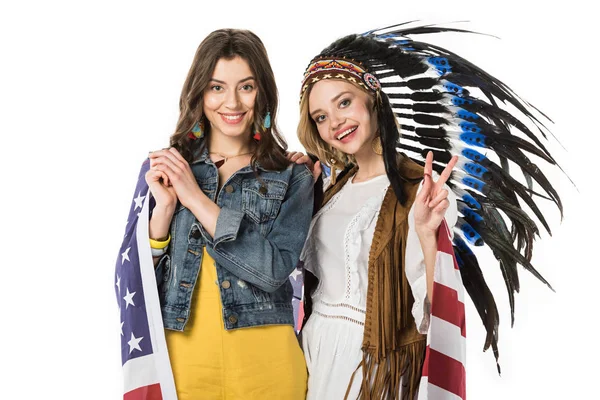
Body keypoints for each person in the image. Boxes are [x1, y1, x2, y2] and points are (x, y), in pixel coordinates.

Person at [292, 24, 564, 399]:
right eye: (320, 116)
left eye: (344, 102)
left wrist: (424, 230)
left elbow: (434, 309)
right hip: (310, 349)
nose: (335, 122)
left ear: (373, 100)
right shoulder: (329, 190)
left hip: (372, 363)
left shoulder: (420, 190)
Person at [123, 29, 313, 399]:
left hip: (267, 361)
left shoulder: (293, 174)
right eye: (216, 87)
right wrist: (163, 211)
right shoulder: (168, 168)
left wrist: (195, 199)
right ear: (199, 93)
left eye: (246, 86)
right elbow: (140, 280)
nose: (232, 102)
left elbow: (274, 271)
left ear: (264, 93)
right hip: (183, 358)